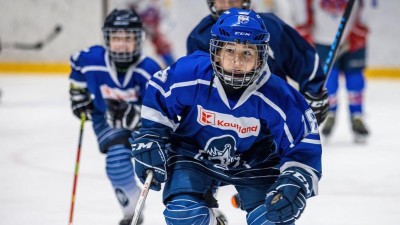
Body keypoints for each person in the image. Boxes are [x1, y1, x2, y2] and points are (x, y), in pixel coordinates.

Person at [130, 8, 322, 225]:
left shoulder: (279, 96)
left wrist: (294, 182)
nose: (237, 62)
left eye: (247, 53)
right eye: (230, 51)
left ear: (261, 56)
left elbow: (303, 143)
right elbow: (160, 97)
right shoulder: (190, 73)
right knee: (184, 215)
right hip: (193, 154)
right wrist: (152, 136)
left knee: (273, 219)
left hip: (256, 164)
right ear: (216, 51)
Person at [68, 9, 162, 225]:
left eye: (128, 38)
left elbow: (158, 114)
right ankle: (131, 213)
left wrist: (136, 117)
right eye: (116, 37)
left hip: (141, 125)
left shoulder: (149, 70)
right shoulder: (90, 59)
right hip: (106, 119)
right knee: (117, 162)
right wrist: (78, 95)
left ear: (139, 39)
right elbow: (76, 68)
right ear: (106, 39)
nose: (121, 44)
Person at [187, 0, 329, 125]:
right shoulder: (199, 37)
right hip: (222, 125)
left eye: (232, 0)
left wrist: (313, 94)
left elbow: (305, 61)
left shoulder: (271, 27)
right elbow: (195, 88)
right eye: (221, 0)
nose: (226, 6)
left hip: (273, 122)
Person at [289, 0, 371, 142]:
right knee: (329, 80)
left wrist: (361, 29)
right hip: (322, 39)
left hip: (352, 36)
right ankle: (330, 114)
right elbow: (303, 8)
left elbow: (371, 6)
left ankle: (357, 115)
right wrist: (304, 30)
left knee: (355, 78)